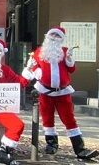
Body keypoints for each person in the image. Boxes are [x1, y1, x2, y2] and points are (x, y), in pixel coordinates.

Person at [22, 27, 98, 159]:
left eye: (57, 36)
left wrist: (69, 58)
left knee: (69, 119)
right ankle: (51, 145)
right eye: (52, 35)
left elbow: (71, 69)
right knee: (47, 118)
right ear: (47, 37)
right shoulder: (39, 52)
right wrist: (34, 69)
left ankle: (79, 149)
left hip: (63, 92)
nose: (54, 38)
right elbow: (33, 68)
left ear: (61, 39)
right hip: (45, 91)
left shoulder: (64, 52)